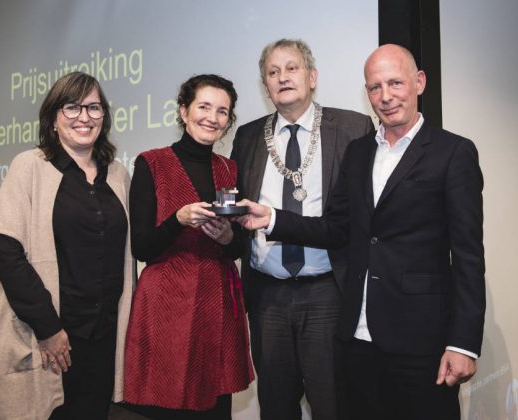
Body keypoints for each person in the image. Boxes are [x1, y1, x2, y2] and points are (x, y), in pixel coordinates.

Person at [237, 44, 486, 420]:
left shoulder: (453, 152)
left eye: (395, 83)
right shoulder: (359, 152)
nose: (385, 97)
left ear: (419, 83)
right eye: (374, 87)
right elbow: (336, 228)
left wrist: (463, 343)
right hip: (358, 337)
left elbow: (468, 256)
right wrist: (272, 219)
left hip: (421, 339)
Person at [230, 38, 374, 420]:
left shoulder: (352, 127)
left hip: (327, 291)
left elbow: (358, 220)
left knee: (333, 405)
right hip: (267, 297)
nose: (282, 78)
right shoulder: (247, 136)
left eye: (291, 68)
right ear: (265, 87)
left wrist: (275, 219)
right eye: (273, 73)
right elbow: (238, 212)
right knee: (276, 407)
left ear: (312, 77)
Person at [0, 71, 134, 419]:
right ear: (52, 119)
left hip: (104, 332)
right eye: (72, 107)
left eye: (94, 108)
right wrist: (48, 328)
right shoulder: (30, 166)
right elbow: (6, 251)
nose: (84, 117)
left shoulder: (118, 174)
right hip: (52, 335)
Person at [123, 74, 254, 420]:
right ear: (183, 111)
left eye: (223, 111)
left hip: (217, 303)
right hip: (167, 304)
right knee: (169, 406)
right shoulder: (150, 163)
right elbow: (142, 248)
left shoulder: (229, 169)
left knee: (215, 408)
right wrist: (177, 219)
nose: (212, 117)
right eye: (204, 107)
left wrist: (228, 239)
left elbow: (239, 245)